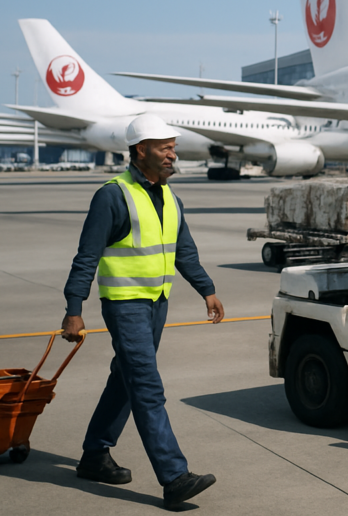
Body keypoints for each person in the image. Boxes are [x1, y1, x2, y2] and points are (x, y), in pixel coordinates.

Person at [60, 113, 223, 511]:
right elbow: (86, 257)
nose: (172, 155)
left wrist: (207, 289)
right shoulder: (112, 195)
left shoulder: (171, 197)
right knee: (147, 386)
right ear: (140, 151)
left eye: (173, 148)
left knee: (126, 378)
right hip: (125, 304)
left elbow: (183, 250)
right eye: (165, 148)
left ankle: (95, 455)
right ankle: (174, 477)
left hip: (157, 304)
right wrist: (73, 309)